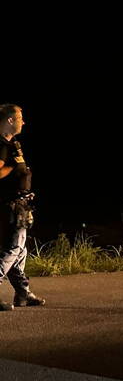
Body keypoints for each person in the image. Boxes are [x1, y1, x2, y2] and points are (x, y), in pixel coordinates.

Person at [0, 104, 44, 311]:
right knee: (13, 248)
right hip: (10, 204)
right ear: (9, 120)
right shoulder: (2, 145)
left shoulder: (13, 143)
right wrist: (14, 167)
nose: (23, 121)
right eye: (20, 117)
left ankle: (23, 293)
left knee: (20, 250)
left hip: (22, 203)